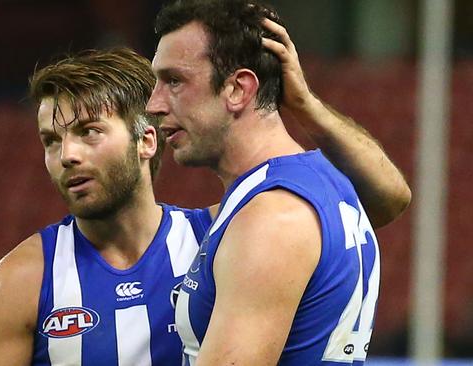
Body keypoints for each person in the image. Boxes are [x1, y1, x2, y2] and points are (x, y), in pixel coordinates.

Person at [0, 42, 409, 366]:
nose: (67, 155)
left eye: (89, 132)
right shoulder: (20, 283)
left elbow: (388, 199)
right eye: (51, 141)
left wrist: (305, 105)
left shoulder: (226, 236)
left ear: (147, 141)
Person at [146, 0, 403, 364]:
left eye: (174, 81)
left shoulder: (271, 218)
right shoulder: (323, 180)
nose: (153, 104)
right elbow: (395, 197)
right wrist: (303, 103)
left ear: (237, 89)